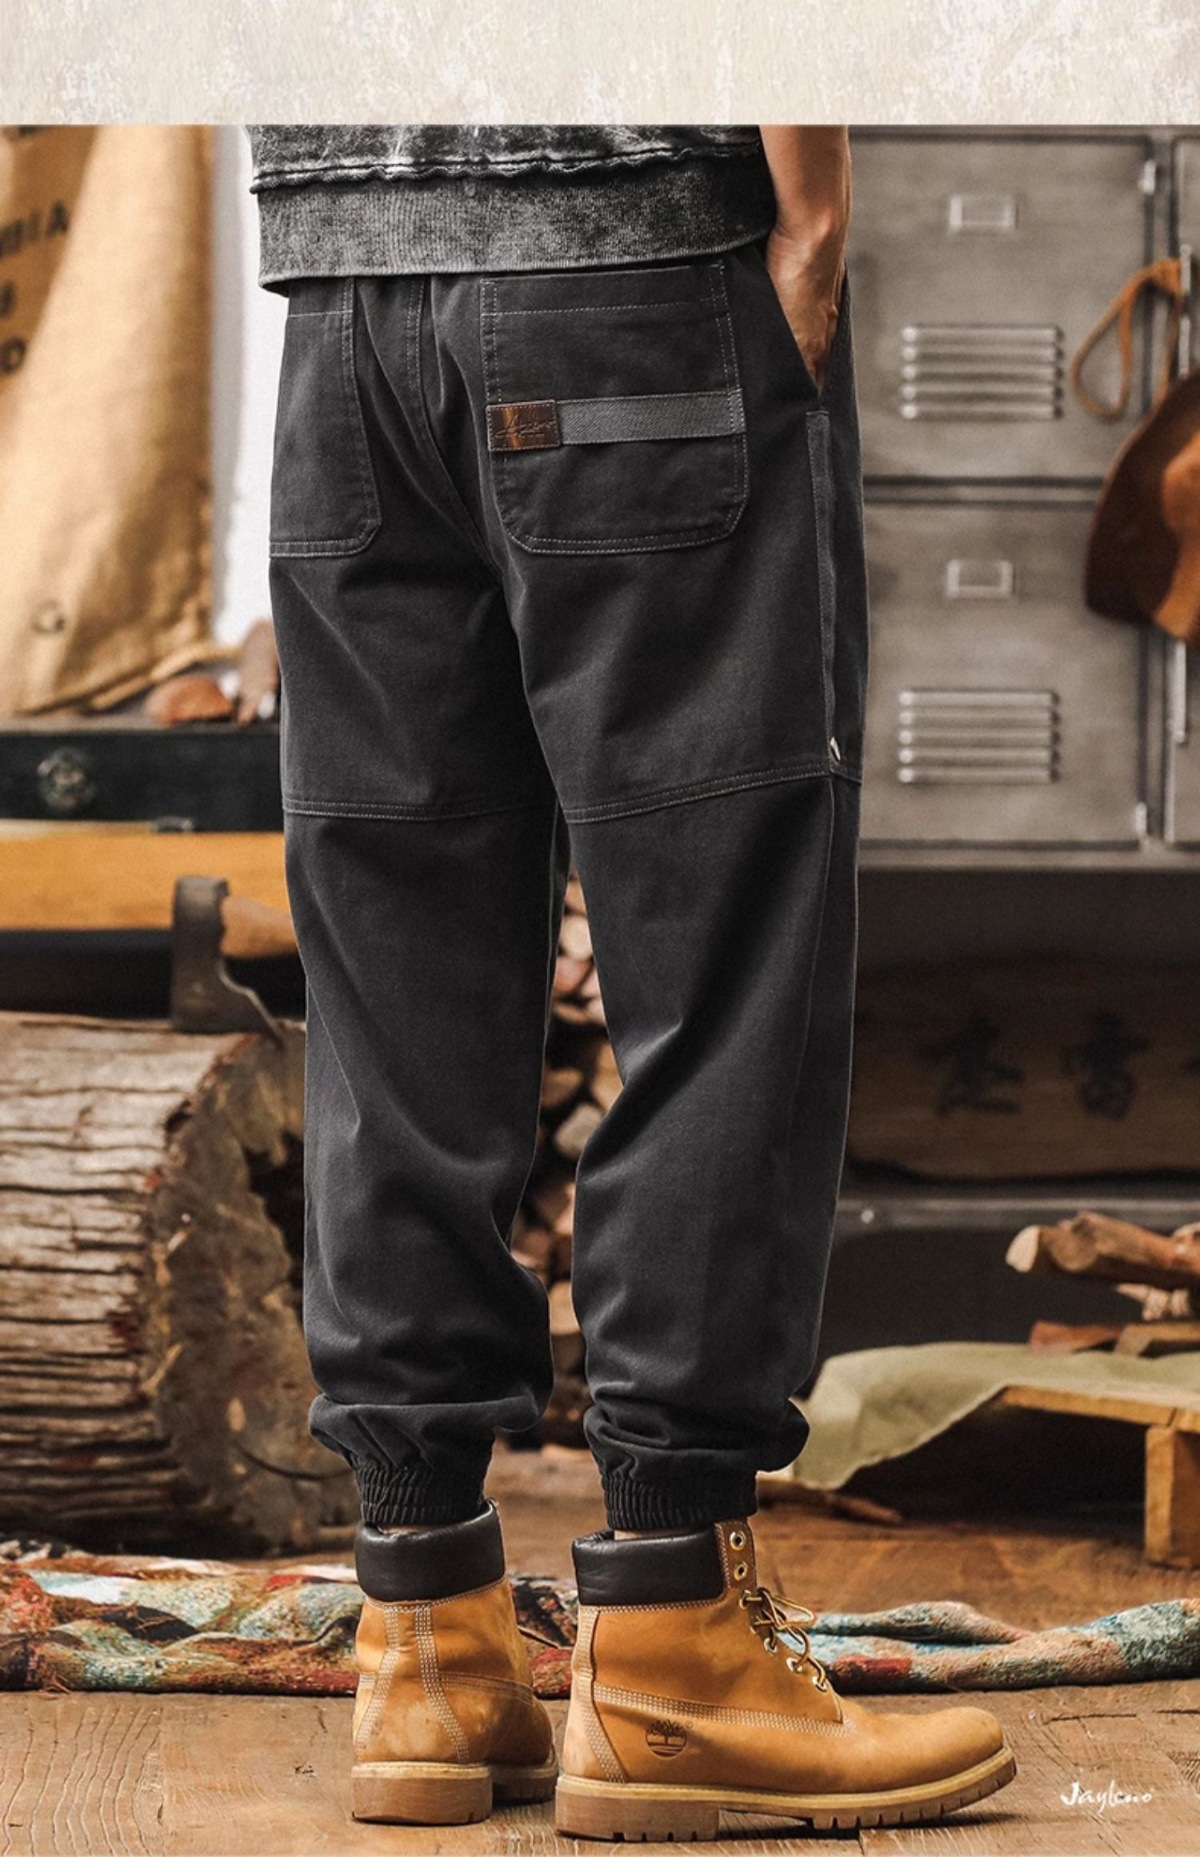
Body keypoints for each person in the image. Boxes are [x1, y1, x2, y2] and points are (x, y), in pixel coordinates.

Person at [249, 123, 1015, 1837]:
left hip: (345, 293)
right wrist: (808, 213)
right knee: (720, 946)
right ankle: (677, 1639)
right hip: (635, 252)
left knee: (392, 954)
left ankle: (425, 1634)